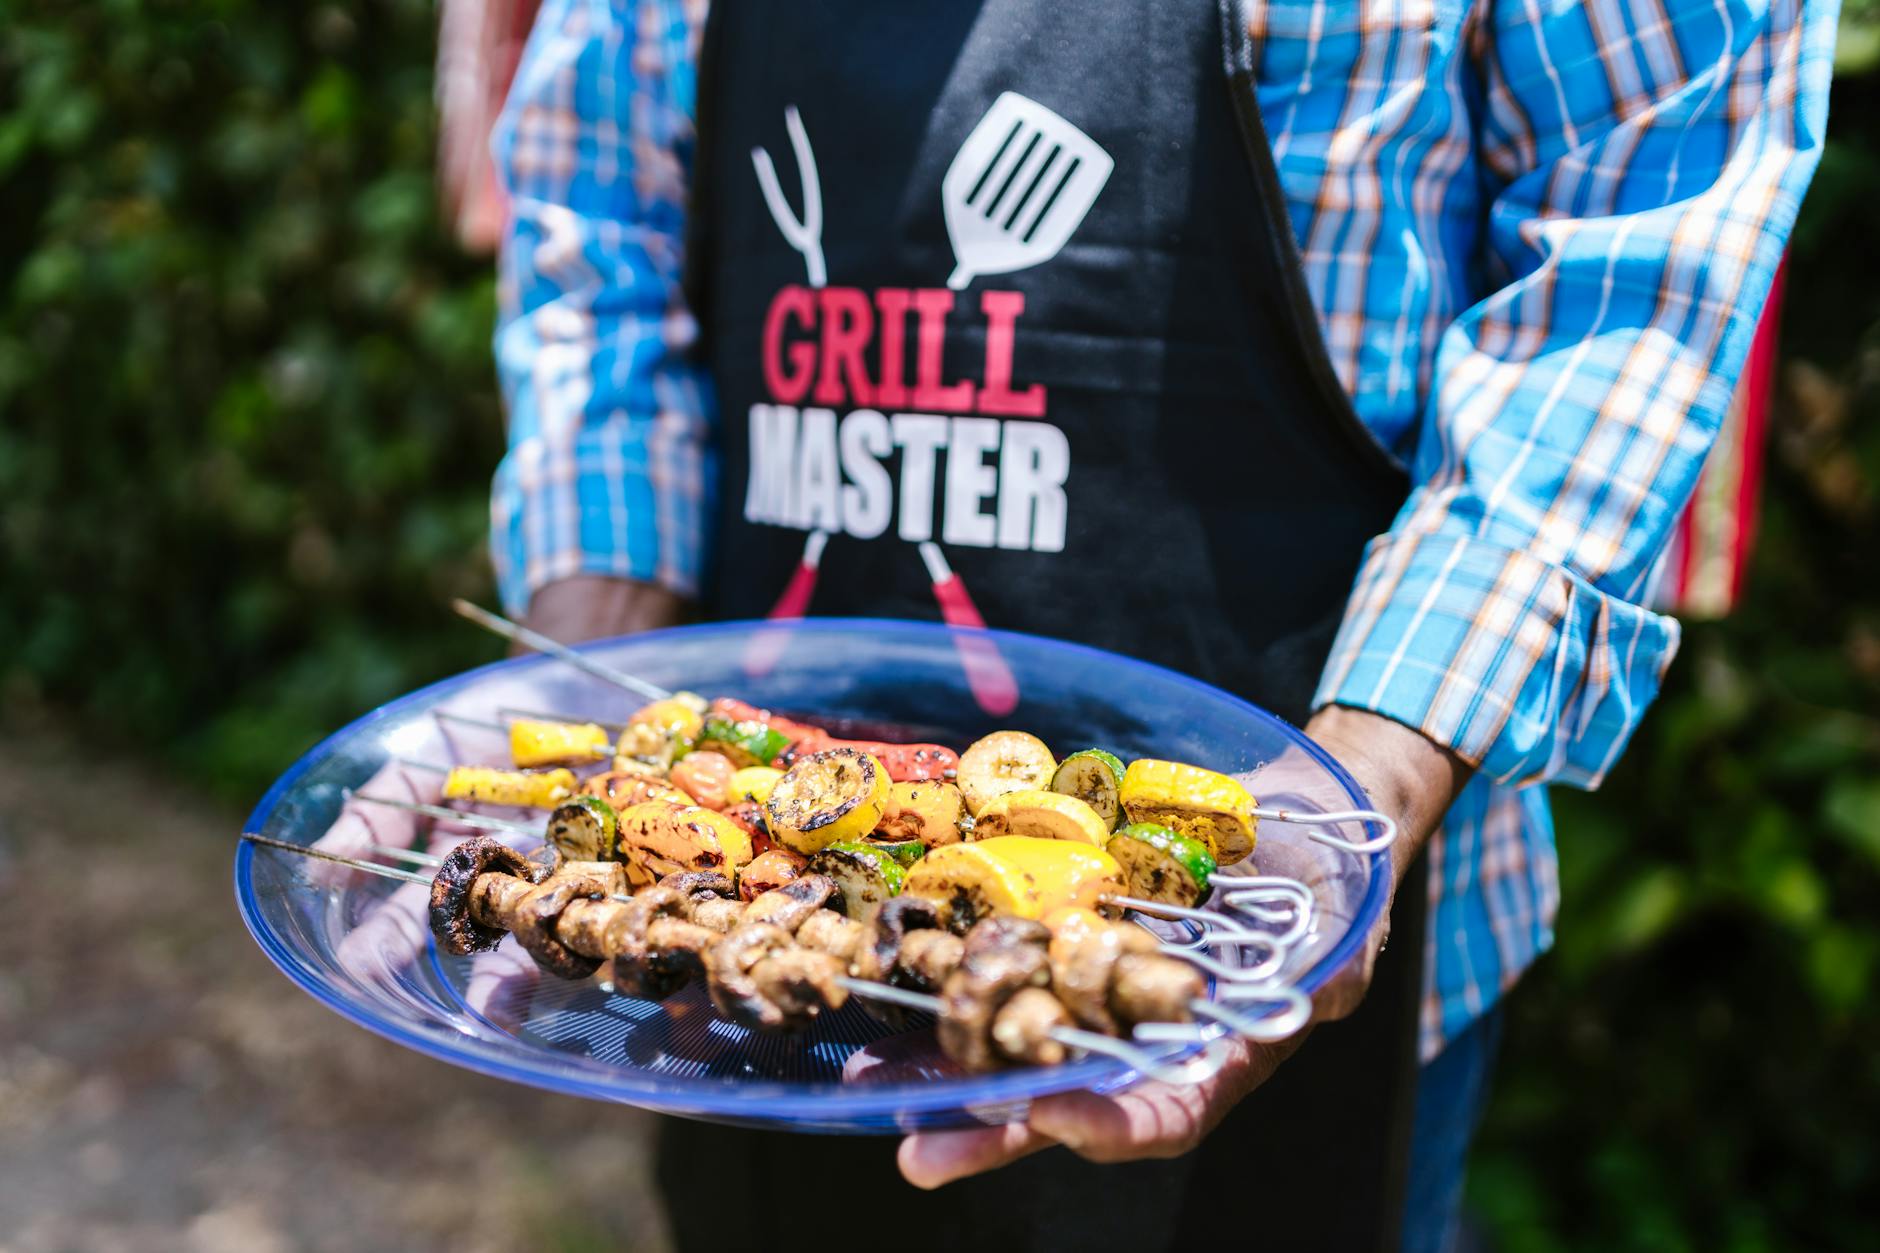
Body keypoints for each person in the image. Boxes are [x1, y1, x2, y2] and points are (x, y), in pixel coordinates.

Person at [485, 1, 1834, 1248]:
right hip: (748, 940)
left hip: (1273, 917)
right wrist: (593, 677)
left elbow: (1639, 236)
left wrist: (1369, 785)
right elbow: (600, 217)